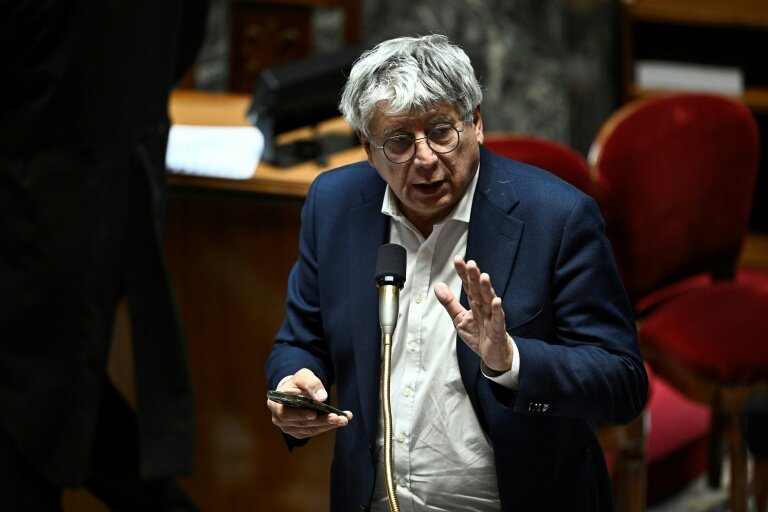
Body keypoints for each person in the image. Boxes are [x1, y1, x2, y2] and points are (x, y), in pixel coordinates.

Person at [265, 34, 648, 511]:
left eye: (442, 131)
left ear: (477, 123)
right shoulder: (334, 204)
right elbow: (299, 340)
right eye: (399, 141)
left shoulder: (558, 218)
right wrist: (292, 385)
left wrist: (511, 361)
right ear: (368, 147)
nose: (425, 159)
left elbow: (623, 384)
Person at [0, 1, 207, 510]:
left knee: (34, 408)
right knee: (60, 395)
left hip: (32, 193)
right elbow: (184, 41)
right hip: (123, 186)